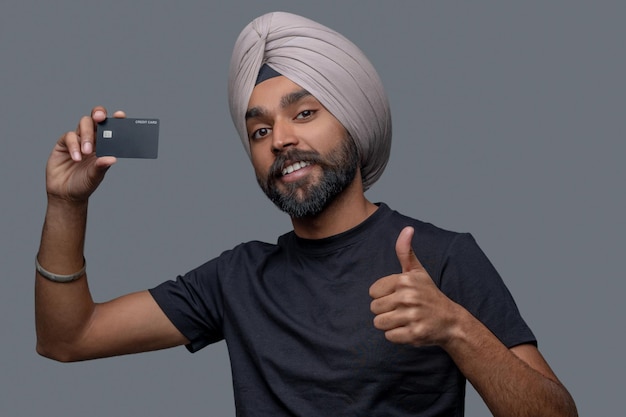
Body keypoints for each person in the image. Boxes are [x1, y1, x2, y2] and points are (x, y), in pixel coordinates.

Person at [35, 11, 577, 417]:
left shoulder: (443, 255)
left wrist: (457, 329)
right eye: (260, 130)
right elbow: (68, 338)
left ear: (356, 127)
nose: (282, 140)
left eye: (306, 113)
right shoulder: (237, 279)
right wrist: (66, 203)